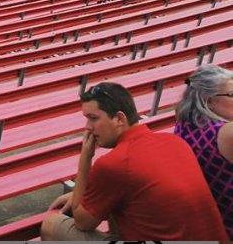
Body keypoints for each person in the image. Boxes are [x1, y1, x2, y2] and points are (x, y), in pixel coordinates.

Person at [41, 81, 226, 241]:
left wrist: (85, 159)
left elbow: (82, 222)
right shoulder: (175, 141)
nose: (88, 128)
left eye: (93, 118)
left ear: (119, 118)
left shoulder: (115, 162)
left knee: (51, 224)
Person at [174, 64, 233, 238]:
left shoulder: (182, 126)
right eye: (231, 95)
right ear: (208, 100)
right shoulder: (226, 133)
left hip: (209, 222)